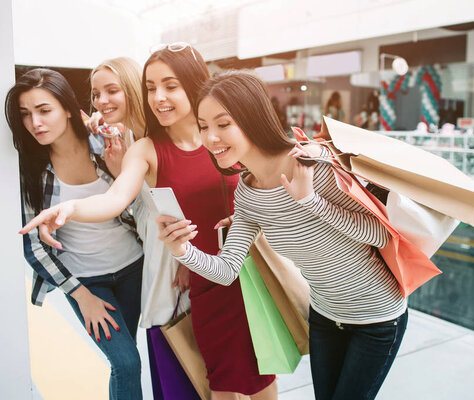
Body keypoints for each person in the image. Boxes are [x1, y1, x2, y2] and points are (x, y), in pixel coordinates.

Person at [19, 46, 278, 400]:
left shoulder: (220, 136)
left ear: (193, 84)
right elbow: (114, 199)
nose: (159, 97)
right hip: (201, 284)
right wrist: (70, 209)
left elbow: (263, 185)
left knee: (263, 383)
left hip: (248, 280)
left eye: (170, 86)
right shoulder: (143, 148)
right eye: (151, 87)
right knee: (218, 387)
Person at [155, 70, 408, 400]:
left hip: (377, 317)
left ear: (251, 117)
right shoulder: (247, 194)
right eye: (203, 126)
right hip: (325, 316)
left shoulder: (312, 164)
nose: (210, 137)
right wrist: (181, 251)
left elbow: (381, 234)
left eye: (223, 123)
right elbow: (227, 270)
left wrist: (311, 201)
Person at [6, 68, 144, 399]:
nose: (35, 123)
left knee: (130, 358)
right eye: (25, 114)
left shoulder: (103, 143)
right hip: (87, 282)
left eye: (44, 110)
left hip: (134, 269)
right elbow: (35, 248)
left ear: (67, 108)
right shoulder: (28, 171)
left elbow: (136, 206)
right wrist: (82, 297)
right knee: (125, 364)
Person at [89, 57, 194, 399]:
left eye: (111, 90)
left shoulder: (155, 138)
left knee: (182, 348)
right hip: (156, 255)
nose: (101, 101)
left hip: (175, 258)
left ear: (132, 90)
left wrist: (185, 261)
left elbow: (184, 201)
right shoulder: (128, 138)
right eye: (95, 94)